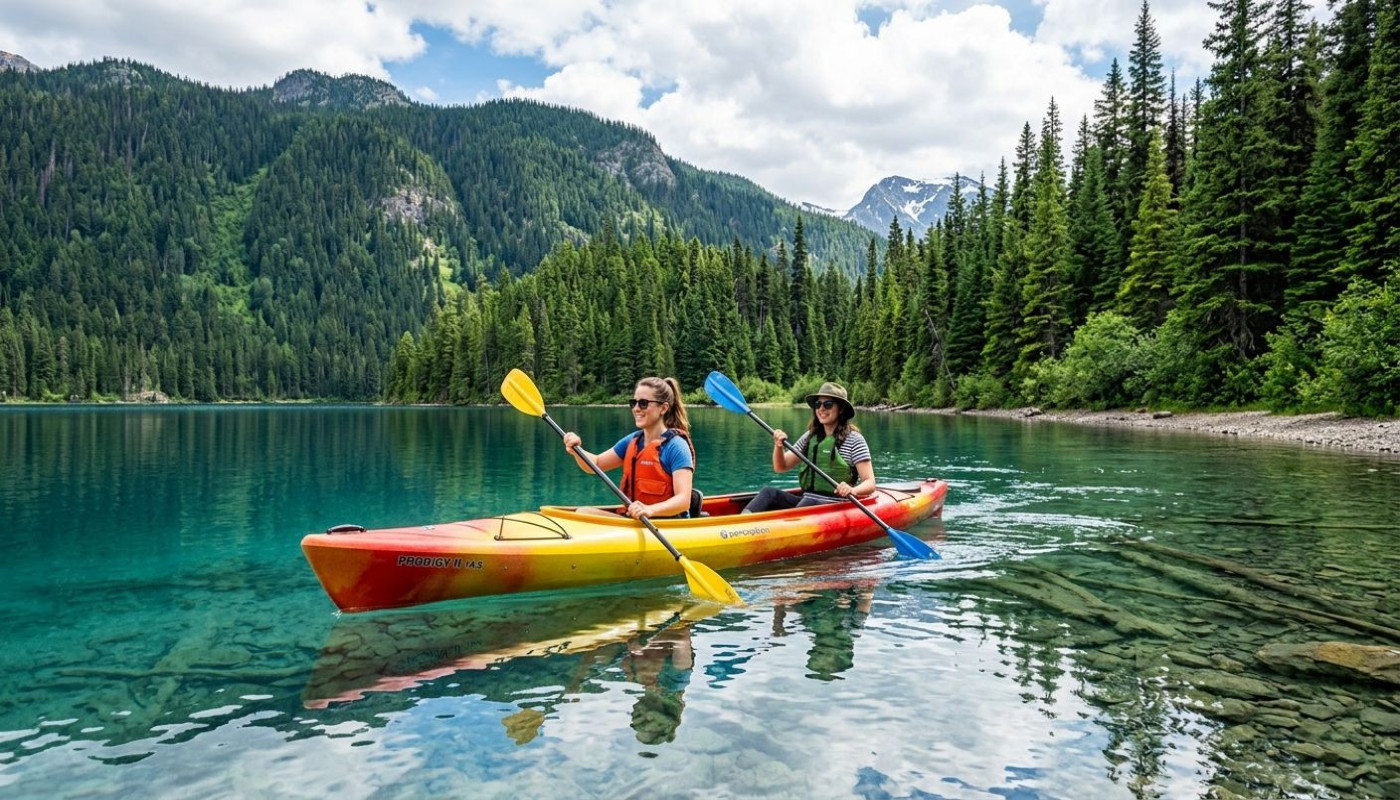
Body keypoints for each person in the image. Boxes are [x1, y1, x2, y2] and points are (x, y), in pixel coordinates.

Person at [561, 377, 696, 519]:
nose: (636, 408)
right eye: (634, 403)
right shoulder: (633, 441)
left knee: (584, 514)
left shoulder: (676, 447)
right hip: (636, 522)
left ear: (663, 408)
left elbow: (683, 500)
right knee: (584, 512)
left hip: (668, 526)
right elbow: (596, 464)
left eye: (643, 403)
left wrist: (650, 510)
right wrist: (577, 450)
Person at [741, 381, 874, 514]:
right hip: (808, 500)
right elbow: (781, 467)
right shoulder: (810, 437)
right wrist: (778, 446)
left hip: (835, 504)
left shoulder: (854, 439)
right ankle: (742, 524)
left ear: (841, 409)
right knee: (768, 492)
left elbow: (870, 483)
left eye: (828, 404)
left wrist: (852, 490)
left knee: (808, 501)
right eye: (818, 404)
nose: (821, 409)